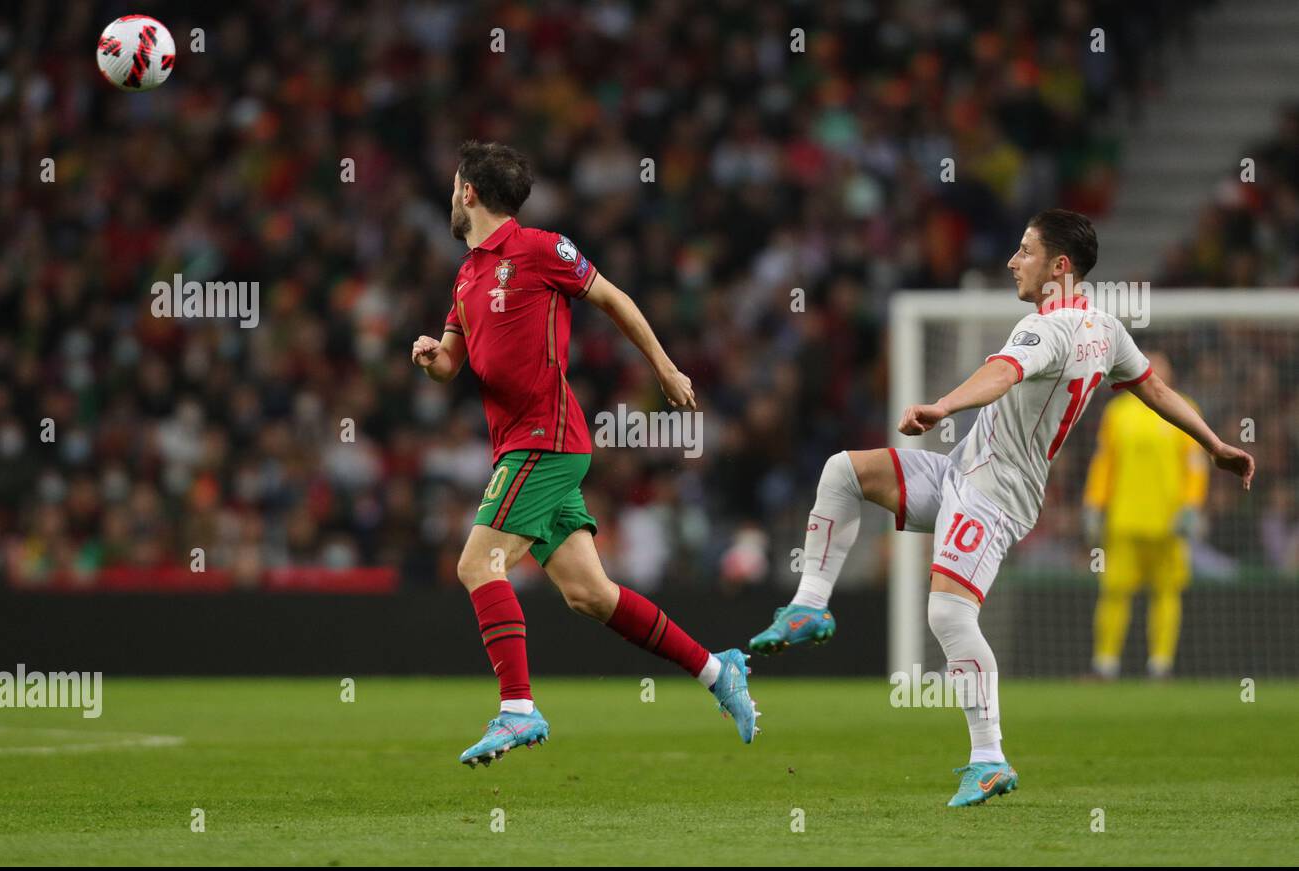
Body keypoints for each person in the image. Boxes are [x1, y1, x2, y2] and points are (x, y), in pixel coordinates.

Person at [748, 209, 1254, 806]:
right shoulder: (1105, 329)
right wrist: (1215, 443)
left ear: (1059, 267)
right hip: (963, 470)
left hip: (996, 493)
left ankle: (989, 758)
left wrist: (942, 406)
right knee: (844, 471)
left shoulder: (1049, 328)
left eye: (1025, 250)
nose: (1013, 261)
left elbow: (1002, 373)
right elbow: (1158, 390)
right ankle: (810, 608)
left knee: (948, 615)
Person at [412, 141, 758, 767]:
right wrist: (432, 358)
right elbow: (452, 364)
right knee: (591, 595)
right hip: (522, 445)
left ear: (468, 193)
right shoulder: (464, 276)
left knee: (477, 563)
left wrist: (666, 369)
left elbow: (614, 299)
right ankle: (716, 669)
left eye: (454, 183)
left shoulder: (542, 248)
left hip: (544, 440)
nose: (450, 194)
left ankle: (517, 710)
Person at [1083, 352, 1208, 679]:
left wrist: (1192, 506)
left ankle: (1160, 665)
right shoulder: (1118, 412)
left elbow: (1195, 465)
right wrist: (1095, 504)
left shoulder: (1185, 408)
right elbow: (1104, 463)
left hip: (1169, 522)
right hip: (1124, 519)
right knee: (1113, 591)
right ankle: (1105, 664)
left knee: (1167, 592)